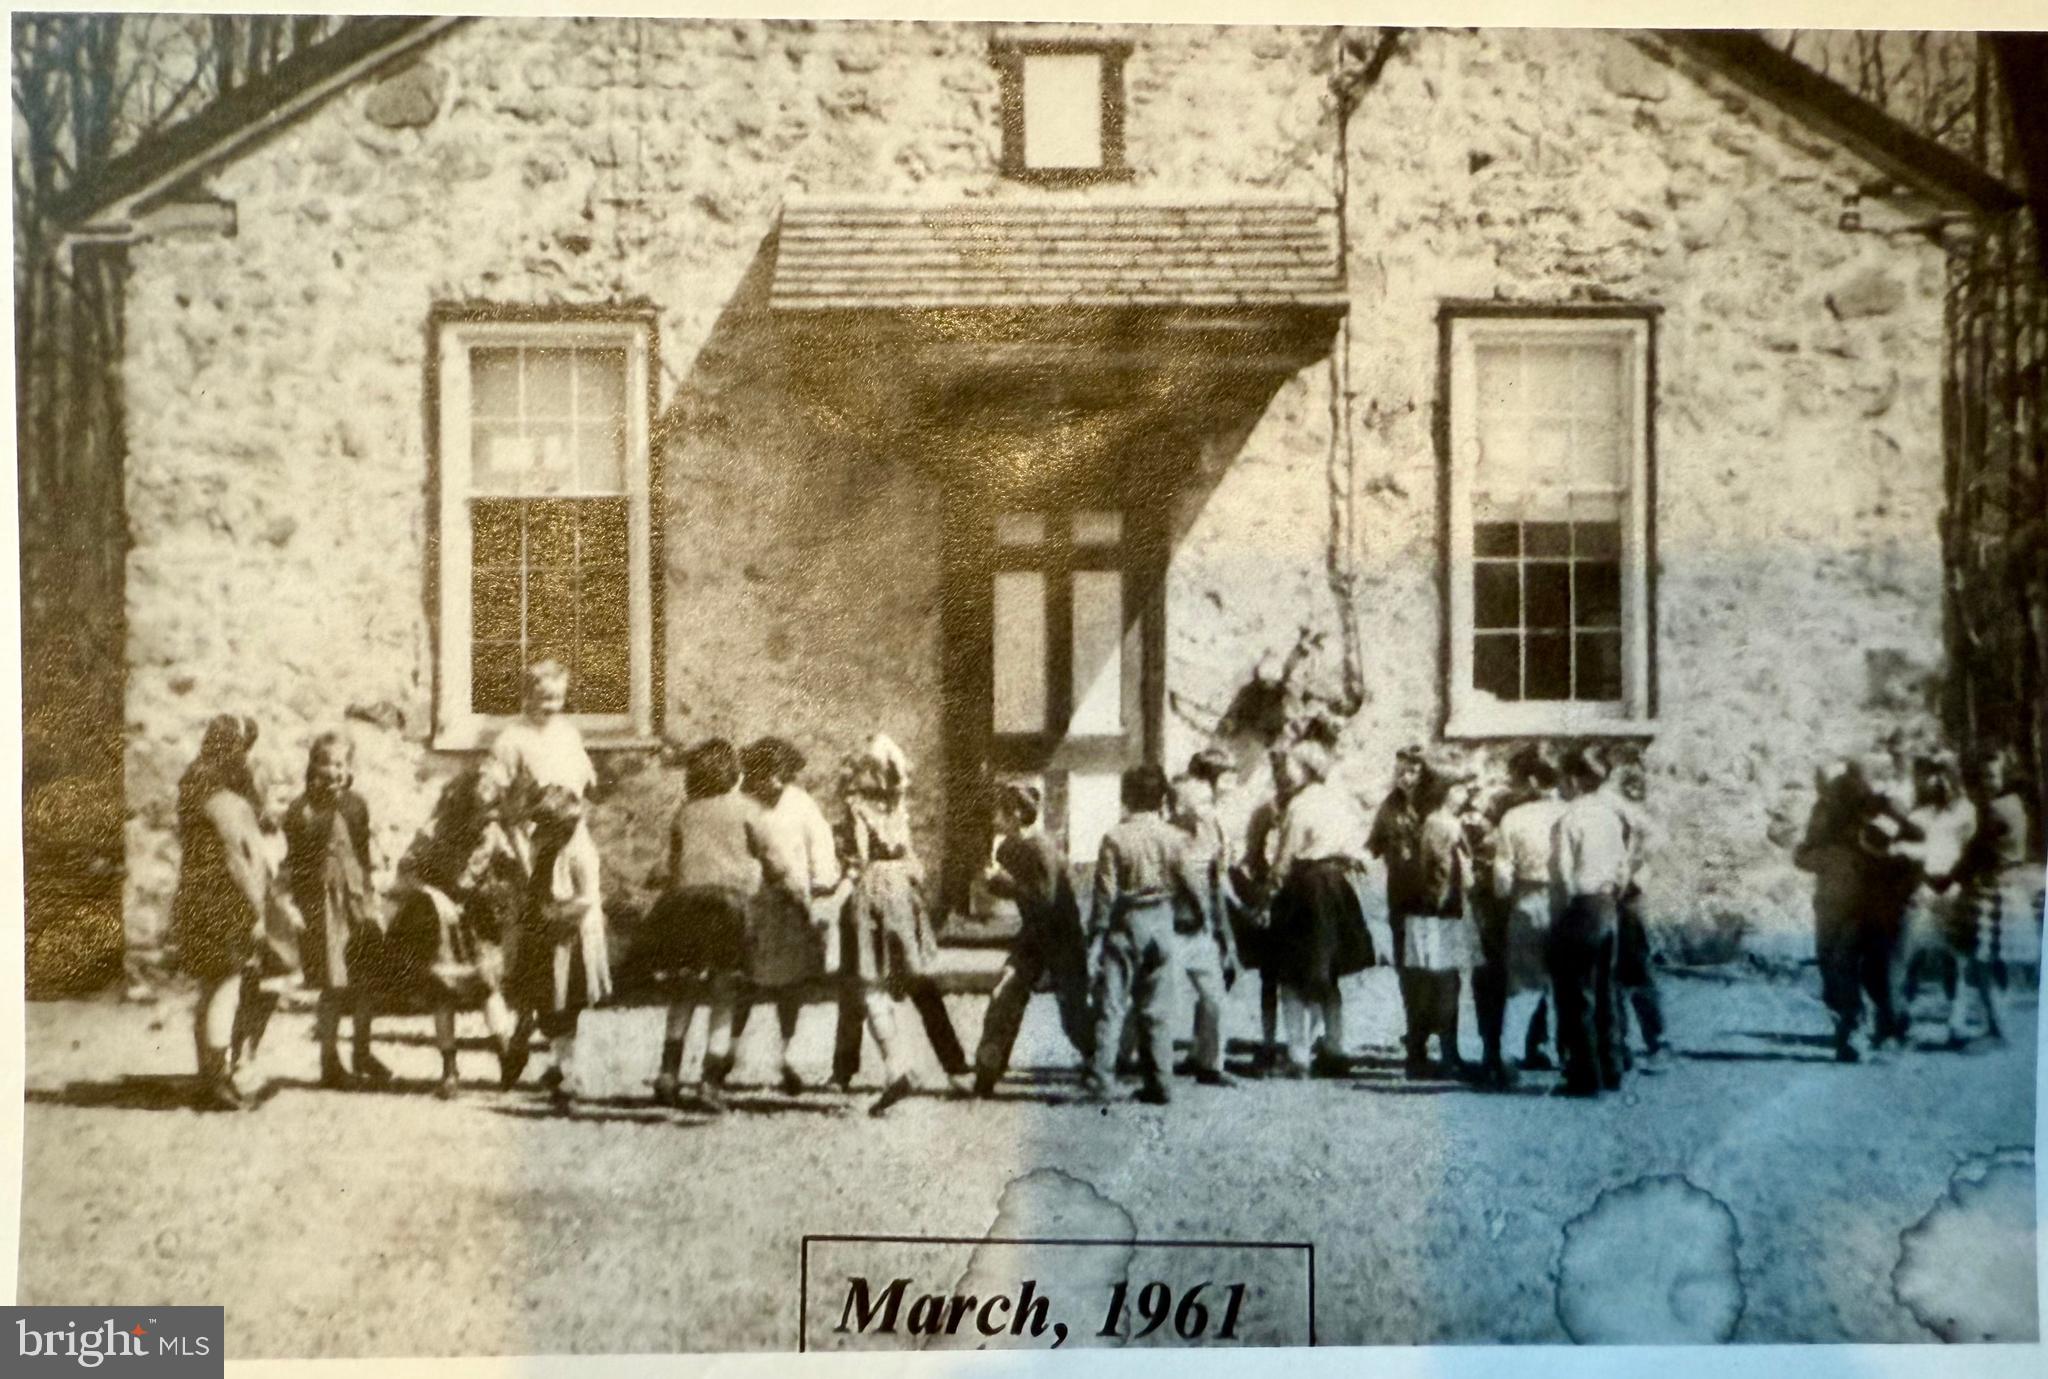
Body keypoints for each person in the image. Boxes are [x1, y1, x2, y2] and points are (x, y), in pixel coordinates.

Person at [831, 734, 970, 1116]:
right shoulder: (899, 805)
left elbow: (859, 857)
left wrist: (846, 872)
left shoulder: (856, 806)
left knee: (867, 979)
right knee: (921, 983)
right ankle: (956, 1068)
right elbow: (910, 854)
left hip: (873, 886)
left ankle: (894, 1066)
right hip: (902, 890)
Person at [388, 758, 525, 1099]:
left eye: (493, 809)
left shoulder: (493, 833)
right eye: (480, 811)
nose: (486, 820)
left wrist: (510, 881)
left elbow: (512, 868)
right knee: (442, 991)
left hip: (477, 919)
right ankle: (449, 1071)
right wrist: (433, 895)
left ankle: (506, 1050)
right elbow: (407, 869)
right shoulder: (436, 830)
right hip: (439, 919)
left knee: (486, 986)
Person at [642, 738, 763, 1113]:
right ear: (734, 773)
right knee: (724, 993)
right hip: (728, 907)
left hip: (684, 907)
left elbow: (667, 867)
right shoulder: (748, 809)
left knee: (684, 990)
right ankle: (710, 1080)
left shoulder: (685, 812)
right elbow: (771, 853)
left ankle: (668, 1072)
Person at [1082, 764, 1212, 1105]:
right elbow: (1191, 882)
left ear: (1125, 798)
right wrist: (1201, 916)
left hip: (1126, 924)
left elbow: (1104, 895)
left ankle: (1102, 1079)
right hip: (1161, 923)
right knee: (1157, 1008)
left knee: (1111, 1005)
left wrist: (1095, 936)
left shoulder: (1114, 838)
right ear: (1161, 800)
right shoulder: (1173, 838)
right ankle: (1160, 1082)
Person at [170, 714, 279, 1111]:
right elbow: (238, 859)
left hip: (197, 897)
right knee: (227, 986)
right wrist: (258, 910)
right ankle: (218, 1080)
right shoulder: (225, 799)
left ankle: (209, 1074)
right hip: (224, 901)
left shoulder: (195, 789)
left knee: (210, 988)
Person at [730, 736, 842, 1095]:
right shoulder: (742, 804)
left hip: (791, 906)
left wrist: (821, 886)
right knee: (743, 982)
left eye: (780, 776)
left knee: (790, 983)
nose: (773, 784)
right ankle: (727, 1053)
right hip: (752, 903)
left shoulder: (801, 805)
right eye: (765, 776)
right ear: (752, 776)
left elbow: (820, 846)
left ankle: (787, 1053)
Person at [1794, 752, 1920, 1062]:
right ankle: (1852, 1031)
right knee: (1837, 968)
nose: (1842, 790)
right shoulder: (1824, 811)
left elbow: (1915, 846)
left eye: (1851, 783)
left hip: (1876, 902)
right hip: (1835, 901)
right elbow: (1806, 855)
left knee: (1878, 970)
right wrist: (1822, 857)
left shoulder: (1885, 807)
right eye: (1837, 786)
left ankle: (1890, 1027)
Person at [969, 781, 1093, 1096]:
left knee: (1074, 1015)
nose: (993, 818)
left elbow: (1046, 900)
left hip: (1062, 937)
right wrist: (991, 882)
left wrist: (1003, 882)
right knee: (1004, 995)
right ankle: (987, 1074)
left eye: (998, 811)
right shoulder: (1007, 848)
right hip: (1034, 936)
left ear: (1015, 813)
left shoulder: (1041, 849)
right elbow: (1012, 890)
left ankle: (1103, 1062)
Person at [281, 731, 388, 1089]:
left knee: (366, 979)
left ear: (349, 768)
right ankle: (329, 1060)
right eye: (326, 763)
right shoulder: (302, 810)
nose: (334, 771)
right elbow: (295, 863)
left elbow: (363, 853)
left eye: (341, 764)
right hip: (325, 903)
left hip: (357, 895)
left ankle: (362, 1050)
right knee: (335, 984)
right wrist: (299, 905)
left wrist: (370, 896)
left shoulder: (356, 803)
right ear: (313, 765)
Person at [1266, 740, 1374, 1078]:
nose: (1286, 772)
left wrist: (1271, 888)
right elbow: (1354, 847)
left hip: (1307, 888)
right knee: (1327, 973)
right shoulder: (1337, 801)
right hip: (1336, 887)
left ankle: (1298, 1055)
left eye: (1293, 766)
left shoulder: (1299, 807)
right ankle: (1334, 1045)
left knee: (1293, 973)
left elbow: (1285, 857)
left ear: (1308, 769)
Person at [503, 785, 611, 1111]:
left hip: (569, 935)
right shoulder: (546, 845)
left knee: (565, 1004)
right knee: (546, 1000)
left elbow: (587, 899)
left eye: (550, 825)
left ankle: (566, 1071)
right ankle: (557, 1062)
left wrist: (556, 914)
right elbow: (536, 879)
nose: (544, 832)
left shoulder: (580, 853)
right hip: (544, 933)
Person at [1479, 744, 1565, 1088]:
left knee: (1523, 982)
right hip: (1564, 898)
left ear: (1531, 780)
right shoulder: (1570, 814)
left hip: (1527, 898)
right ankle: (1559, 1051)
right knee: (1563, 981)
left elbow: (1501, 877)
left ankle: (1509, 1053)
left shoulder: (1513, 818)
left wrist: (1506, 894)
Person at [1548, 746, 1632, 1096]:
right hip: (1609, 905)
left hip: (1581, 907)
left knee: (1577, 994)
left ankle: (1585, 1078)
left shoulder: (1570, 819)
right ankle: (1612, 1068)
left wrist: (1563, 913)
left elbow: (1562, 874)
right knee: (1606, 990)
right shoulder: (1611, 817)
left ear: (1572, 779)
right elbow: (1623, 868)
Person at [1949, 747, 2037, 1046]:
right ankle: (1997, 1027)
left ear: (2004, 777)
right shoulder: (2013, 803)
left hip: (1993, 887)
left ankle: (1998, 1031)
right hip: (2004, 884)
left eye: (1993, 776)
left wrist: (1950, 875)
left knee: (1981, 961)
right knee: (1989, 962)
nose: (1987, 782)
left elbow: (1977, 851)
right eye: (1983, 776)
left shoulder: (1997, 808)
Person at [1166, 770, 1242, 1085]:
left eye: (1209, 800)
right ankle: (1120, 1058)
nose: (1208, 806)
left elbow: (1217, 880)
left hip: (1200, 930)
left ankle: (1210, 1064)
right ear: (1179, 806)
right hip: (1169, 928)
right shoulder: (1165, 836)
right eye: (1200, 801)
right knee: (1153, 998)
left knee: (1215, 998)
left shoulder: (1211, 831)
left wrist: (1233, 917)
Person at [1409, 756, 1480, 1080]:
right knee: (1441, 983)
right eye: (1458, 788)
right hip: (1439, 914)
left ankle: (1430, 1052)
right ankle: (1438, 1054)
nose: (1464, 793)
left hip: (1440, 912)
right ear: (1444, 791)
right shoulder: (1440, 825)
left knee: (1439, 982)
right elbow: (1438, 874)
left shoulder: (1441, 823)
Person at [1368, 745, 1432, 1077]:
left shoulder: (1433, 806)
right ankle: (1416, 1043)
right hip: (1401, 898)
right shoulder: (1389, 807)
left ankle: (1438, 1043)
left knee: (1434, 972)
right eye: (1401, 771)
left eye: (1412, 771)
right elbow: (1375, 846)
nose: (1405, 778)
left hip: (1432, 900)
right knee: (1408, 970)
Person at [1232, 745, 1298, 1071]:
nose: (1285, 781)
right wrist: (1261, 893)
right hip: (1272, 897)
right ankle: (1271, 1039)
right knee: (1270, 975)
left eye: (1289, 775)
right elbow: (1253, 854)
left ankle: (1301, 1041)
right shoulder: (1265, 814)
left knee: (1302, 973)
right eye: (1279, 775)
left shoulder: (1305, 809)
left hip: (1300, 897)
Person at [1608, 756, 1669, 1069]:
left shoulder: (1630, 811)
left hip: (1628, 897)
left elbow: (1656, 839)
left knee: (1638, 969)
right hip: (1604, 893)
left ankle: (1656, 1040)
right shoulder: (1602, 804)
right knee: (1611, 973)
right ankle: (1619, 1043)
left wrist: (1636, 873)